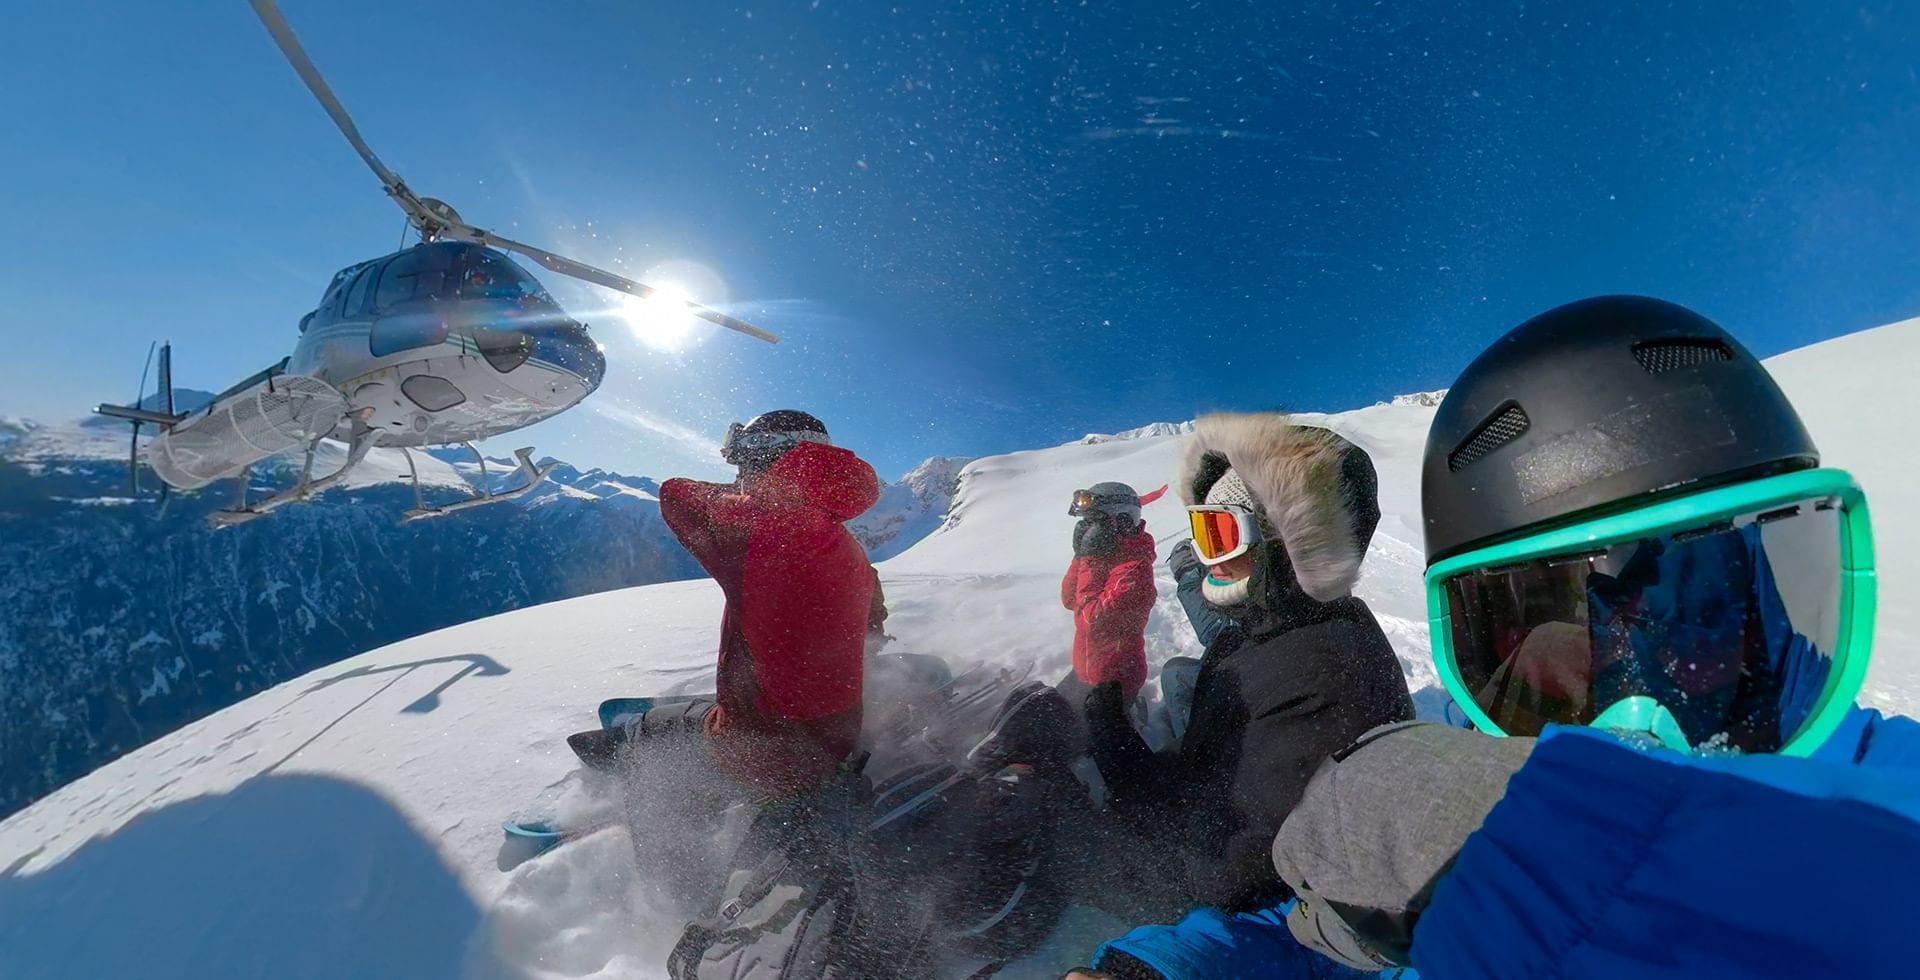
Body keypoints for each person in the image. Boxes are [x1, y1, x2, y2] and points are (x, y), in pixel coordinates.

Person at [1268, 295, 1920, 979]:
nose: (1638, 732)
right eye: (1586, 642)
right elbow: (1312, 928)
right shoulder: (1476, 788)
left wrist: (1571, 856)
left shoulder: (1870, 782)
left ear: (1763, 623)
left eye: (1692, 629)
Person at [1074, 413, 1416, 977]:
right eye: (1201, 534)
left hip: (1213, 908)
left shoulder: (1321, 679)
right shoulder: (1277, 627)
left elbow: (1227, 868)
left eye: (1221, 535)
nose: (1211, 558)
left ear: (1289, 545)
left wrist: (1119, 756)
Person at [568, 409, 881, 798]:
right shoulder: (838, 538)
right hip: (836, 735)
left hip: (766, 751)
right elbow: (872, 618)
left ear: (762, 458)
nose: (737, 475)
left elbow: (675, 493)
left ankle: (646, 806)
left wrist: (759, 492)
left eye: (742, 462)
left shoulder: (760, 526)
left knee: (641, 735)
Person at [1059, 482, 1163, 710]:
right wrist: (1081, 557)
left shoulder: (1133, 569)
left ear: (1123, 521)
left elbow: (1091, 621)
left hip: (1115, 682)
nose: (1088, 530)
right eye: (1086, 523)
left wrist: (1090, 560)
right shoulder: (1102, 556)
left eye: (1095, 522)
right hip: (1087, 669)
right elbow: (1069, 600)